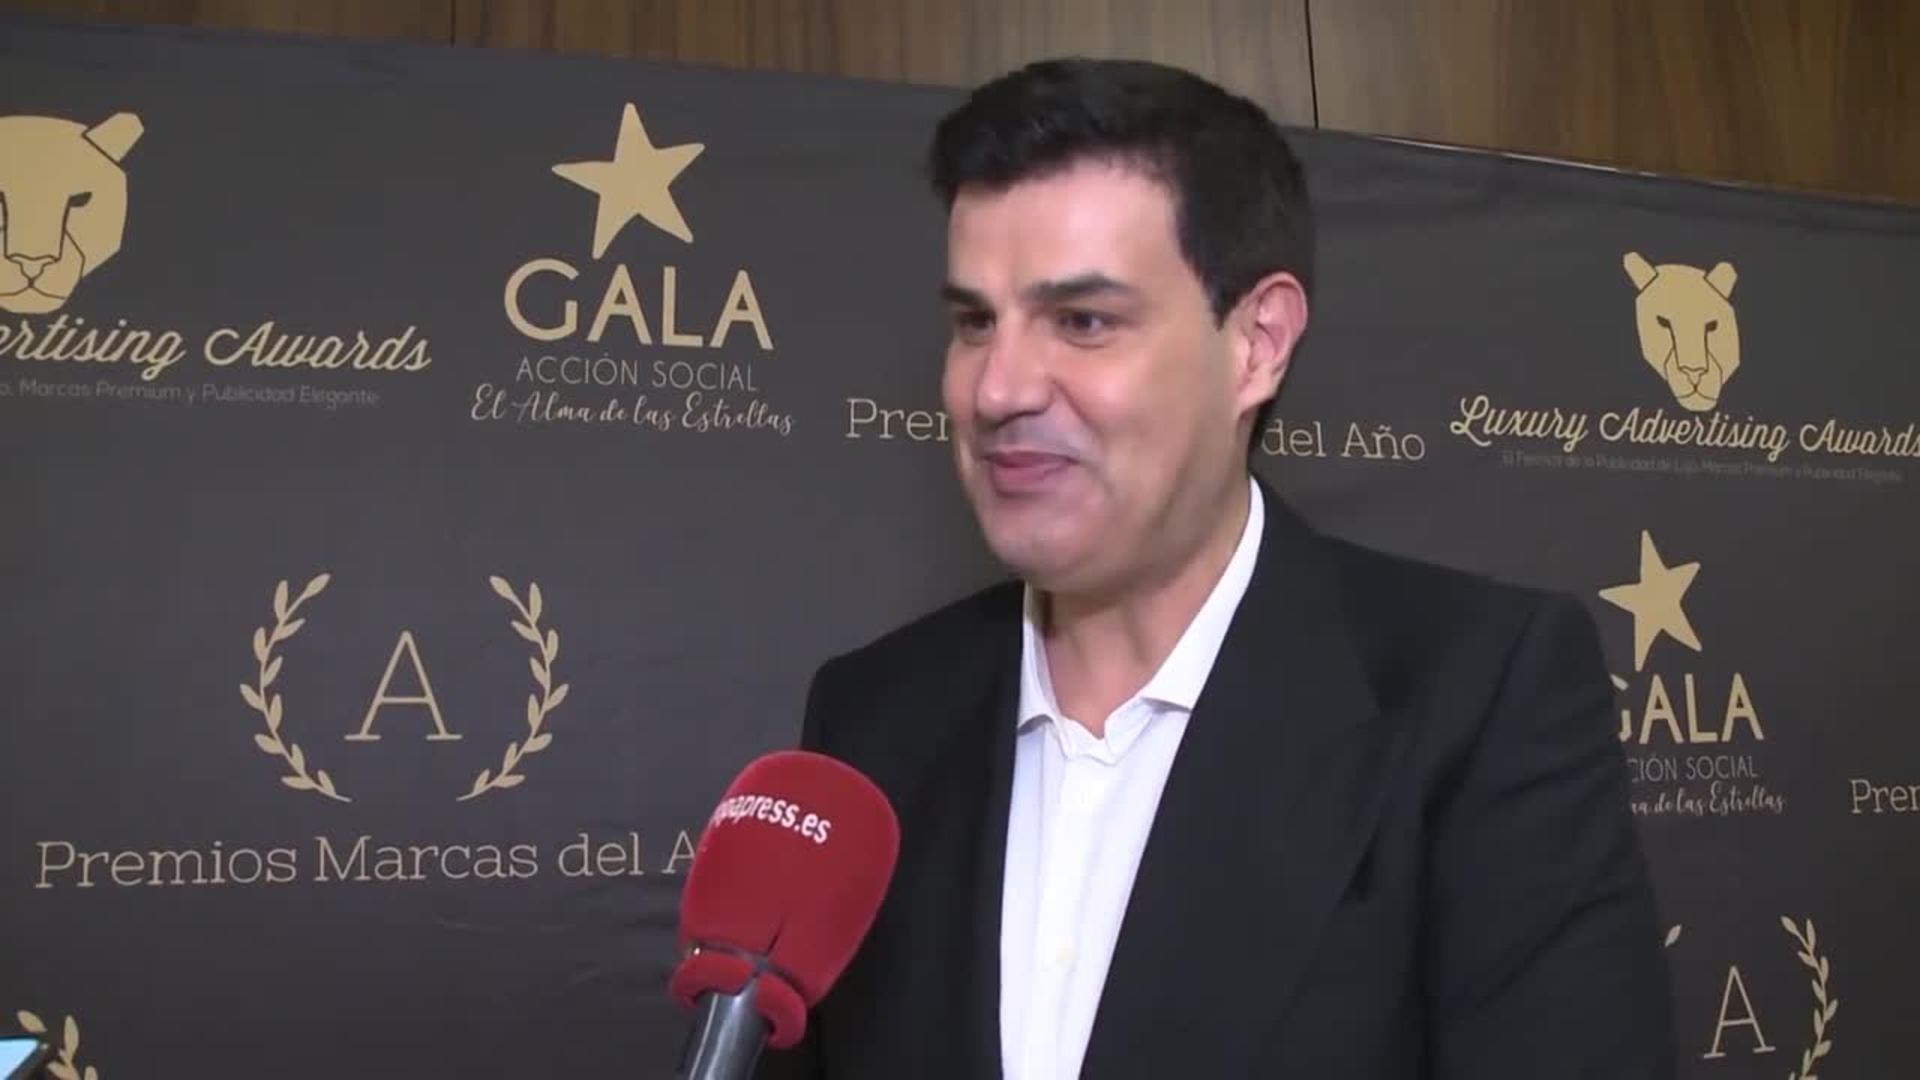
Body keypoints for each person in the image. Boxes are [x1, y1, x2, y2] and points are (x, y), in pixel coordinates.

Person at [758, 58, 1675, 1079]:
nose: (998, 389)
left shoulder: (1479, 696)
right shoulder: (872, 721)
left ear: (1257, 344)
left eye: (1083, 321)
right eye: (976, 322)